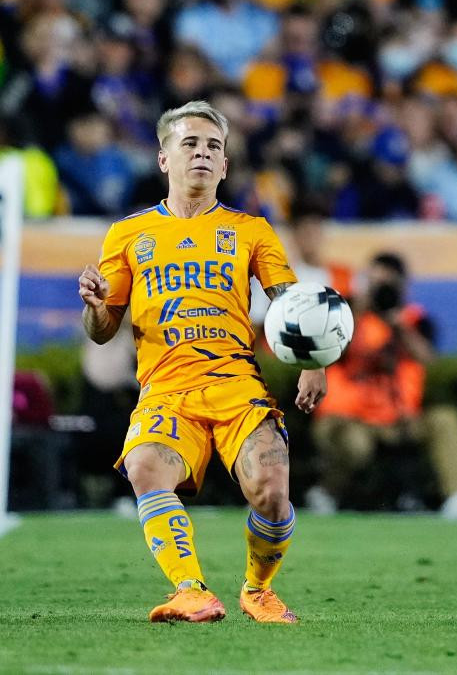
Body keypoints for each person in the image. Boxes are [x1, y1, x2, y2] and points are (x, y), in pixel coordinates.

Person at [78, 100, 327, 624]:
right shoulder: (128, 235)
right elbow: (103, 333)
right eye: (190, 143)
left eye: (214, 146)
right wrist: (98, 307)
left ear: (226, 165)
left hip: (237, 385)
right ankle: (190, 590)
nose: (203, 153)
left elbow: (288, 301)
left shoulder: (252, 231)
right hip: (167, 388)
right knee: (146, 468)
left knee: (273, 494)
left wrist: (313, 361)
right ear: (164, 158)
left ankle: (257, 591)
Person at [307, 251, 457, 521]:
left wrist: (399, 325)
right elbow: (327, 352)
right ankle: (326, 493)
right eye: (375, 283)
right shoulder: (346, 314)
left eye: (388, 285)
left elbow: (428, 359)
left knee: (444, 419)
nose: (381, 291)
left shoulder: (414, 320)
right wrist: (359, 311)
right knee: (355, 445)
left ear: (403, 287)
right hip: (351, 418)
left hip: (399, 418)